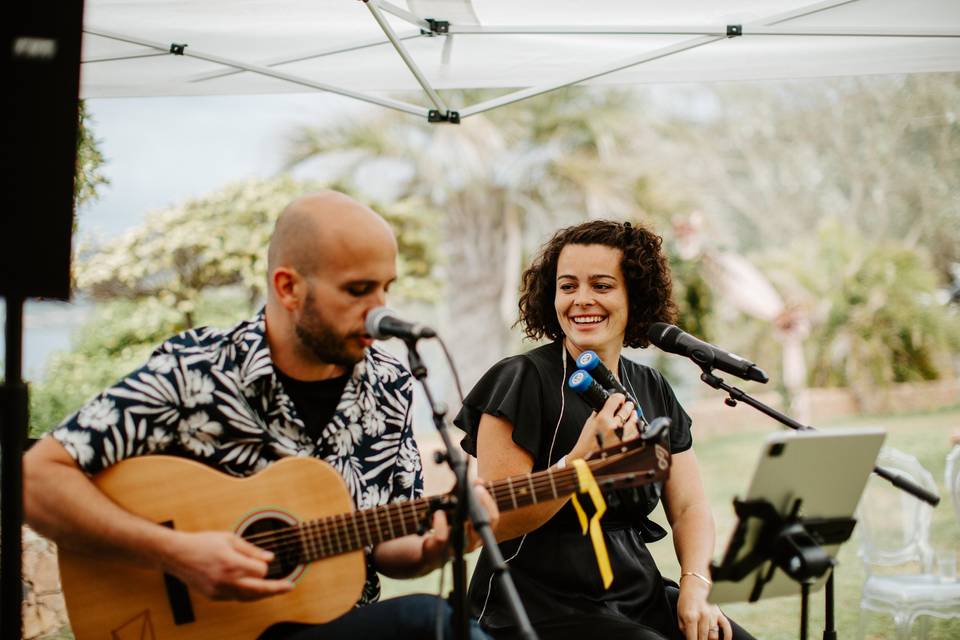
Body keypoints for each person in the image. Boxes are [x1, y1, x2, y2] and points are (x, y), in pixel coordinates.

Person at [24, 191, 497, 639]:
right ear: (288, 287)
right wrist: (177, 553)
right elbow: (35, 478)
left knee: (442, 622)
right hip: (203, 630)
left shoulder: (390, 384)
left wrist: (434, 548)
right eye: (358, 290)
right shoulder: (195, 371)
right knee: (424, 621)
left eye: (386, 289)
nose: (379, 312)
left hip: (337, 623)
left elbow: (385, 543)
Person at [455, 220, 753, 640]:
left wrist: (696, 582)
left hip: (635, 594)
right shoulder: (520, 379)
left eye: (601, 285)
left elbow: (689, 507)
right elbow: (496, 522)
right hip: (533, 604)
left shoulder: (650, 387)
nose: (581, 300)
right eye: (568, 286)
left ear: (635, 295)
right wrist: (580, 461)